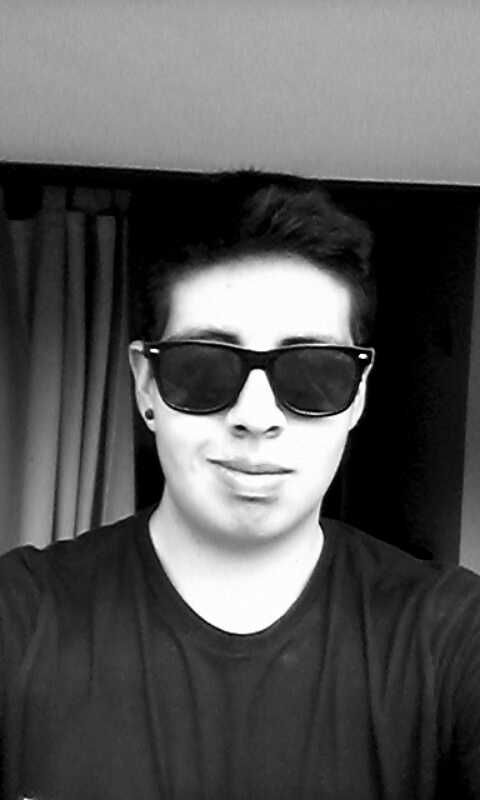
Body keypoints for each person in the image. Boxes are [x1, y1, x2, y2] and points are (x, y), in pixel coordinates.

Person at [1, 172, 479, 800]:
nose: (256, 415)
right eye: (204, 367)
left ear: (358, 395)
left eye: (313, 371)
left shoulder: (451, 634)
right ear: (146, 385)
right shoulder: (22, 619)